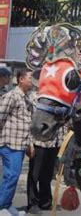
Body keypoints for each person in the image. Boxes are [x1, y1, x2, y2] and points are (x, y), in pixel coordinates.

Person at [26, 91, 67, 214]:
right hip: (39, 142)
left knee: (48, 175)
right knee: (35, 174)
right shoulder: (34, 97)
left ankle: (45, 201)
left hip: (55, 142)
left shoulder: (60, 98)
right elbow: (29, 120)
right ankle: (32, 203)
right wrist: (29, 143)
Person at [0, 70, 34, 215]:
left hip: (20, 144)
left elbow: (28, 123)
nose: (33, 81)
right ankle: (1, 207)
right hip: (10, 144)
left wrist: (29, 144)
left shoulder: (26, 98)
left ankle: (6, 204)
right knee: (12, 176)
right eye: (30, 78)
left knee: (13, 176)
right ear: (21, 80)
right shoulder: (11, 96)